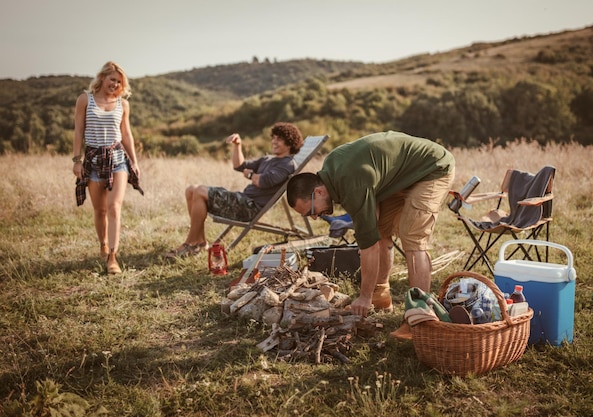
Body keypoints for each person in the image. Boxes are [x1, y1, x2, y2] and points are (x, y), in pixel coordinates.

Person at [286, 130, 454, 338]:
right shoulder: (332, 173)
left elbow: (369, 247)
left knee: (412, 237)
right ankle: (380, 295)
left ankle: (419, 317)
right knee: (382, 232)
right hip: (400, 178)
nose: (314, 218)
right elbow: (371, 224)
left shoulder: (349, 183)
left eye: (311, 211)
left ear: (318, 192)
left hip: (431, 168)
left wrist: (362, 296)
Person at [164, 122, 304, 258]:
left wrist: (250, 175)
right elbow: (239, 165)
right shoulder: (268, 159)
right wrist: (238, 145)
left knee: (200, 190)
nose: (274, 141)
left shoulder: (287, 164)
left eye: (279, 139)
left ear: (290, 143)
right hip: (242, 200)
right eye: (273, 137)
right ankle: (200, 242)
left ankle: (190, 243)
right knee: (191, 190)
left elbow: (263, 181)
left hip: (250, 207)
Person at [73, 61, 143, 275]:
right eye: (112, 79)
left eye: (119, 81)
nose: (115, 84)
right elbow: (78, 130)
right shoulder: (85, 99)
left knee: (114, 207)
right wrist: (77, 160)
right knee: (100, 210)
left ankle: (112, 256)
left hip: (118, 159)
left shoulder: (123, 104)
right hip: (93, 159)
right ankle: (103, 244)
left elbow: (126, 134)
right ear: (102, 77)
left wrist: (134, 161)